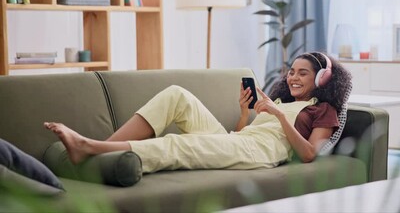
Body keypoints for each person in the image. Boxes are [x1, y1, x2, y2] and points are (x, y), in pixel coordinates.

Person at [44, 52, 352, 173]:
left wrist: (280, 116)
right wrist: (244, 114)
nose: (293, 78)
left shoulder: (322, 110)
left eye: (303, 74)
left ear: (321, 79)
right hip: (239, 142)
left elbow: (310, 154)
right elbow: (240, 137)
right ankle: (107, 152)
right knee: (177, 95)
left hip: (260, 154)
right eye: (291, 72)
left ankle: (90, 148)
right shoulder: (280, 102)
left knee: (179, 144)